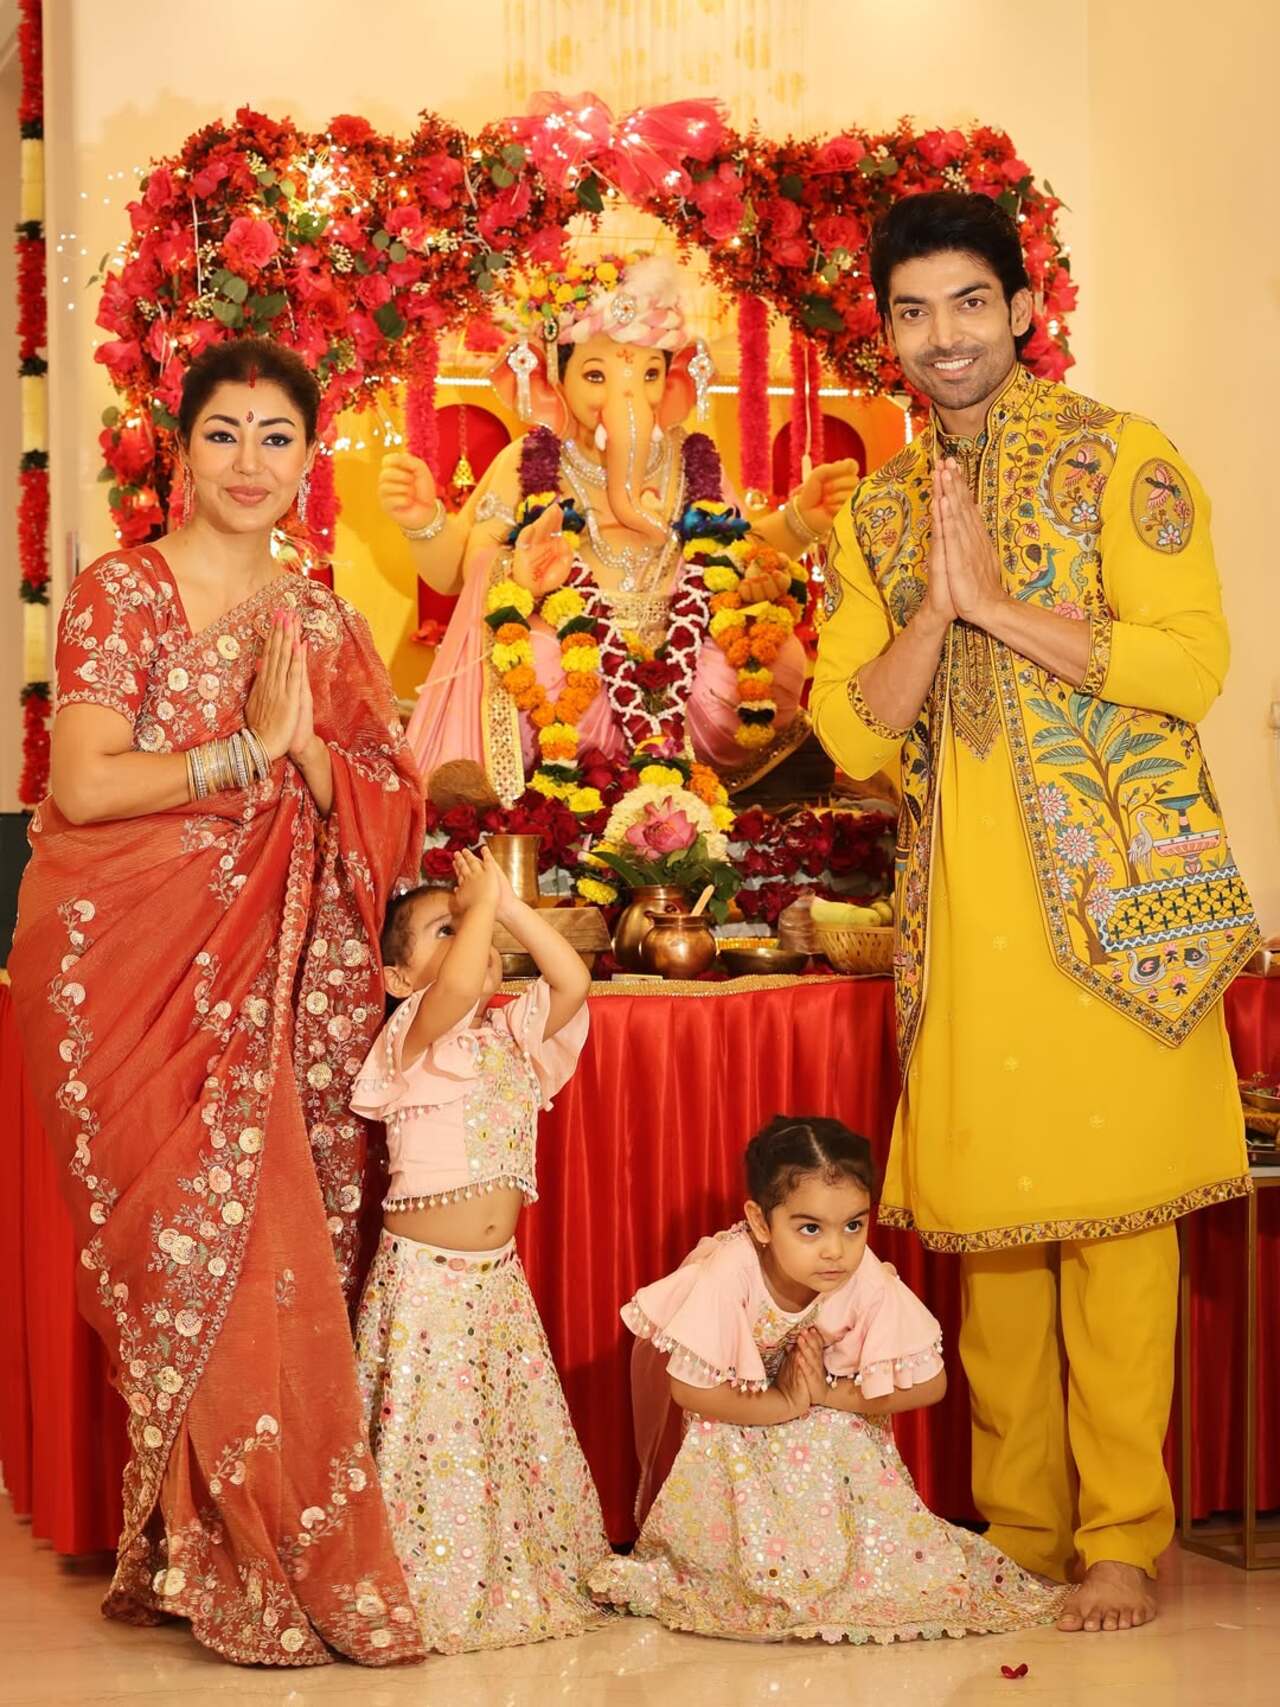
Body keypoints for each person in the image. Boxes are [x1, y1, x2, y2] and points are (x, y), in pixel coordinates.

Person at [810, 191, 1259, 1634]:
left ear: (1019, 306)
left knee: (1119, 1230)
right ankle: (1019, 1524)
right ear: (888, 329)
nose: (944, 338)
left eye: (969, 304)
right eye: (913, 311)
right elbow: (855, 731)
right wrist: (937, 609)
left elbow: (1189, 663)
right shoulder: (870, 513)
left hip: (1118, 905)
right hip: (963, 914)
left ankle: (1123, 1533)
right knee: (994, 1235)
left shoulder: (1122, 455)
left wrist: (1000, 603)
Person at [7, 337, 426, 1667]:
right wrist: (252, 745)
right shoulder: (120, 593)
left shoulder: (319, 615)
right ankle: (221, 1550)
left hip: (275, 988)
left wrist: (307, 745)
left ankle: (239, 1553)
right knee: (188, 1247)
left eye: (277, 436)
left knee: (263, 1248)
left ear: (312, 457)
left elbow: (385, 804)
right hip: (124, 973)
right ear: (178, 448)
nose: (250, 462)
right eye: (224, 434)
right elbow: (83, 786)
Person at [377, 252, 860, 802]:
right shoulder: (526, 461)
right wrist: (425, 522)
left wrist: (800, 522)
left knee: (769, 659)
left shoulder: (692, 459)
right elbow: (459, 577)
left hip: (688, 669)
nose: (625, 395)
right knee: (532, 663)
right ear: (551, 380)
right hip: (570, 668)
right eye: (596, 375)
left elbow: (740, 552)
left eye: (647, 374)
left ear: (673, 382)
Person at [589, 1116, 1065, 1643]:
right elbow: (691, 1390)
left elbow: (932, 1385)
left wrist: (828, 1394)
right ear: (761, 1222)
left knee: (839, 1431)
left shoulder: (862, 1277)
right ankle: (766, 1571)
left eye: (854, 1226)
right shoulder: (730, 1271)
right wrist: (784, 1402)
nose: (836, 1250)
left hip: (820, 1412)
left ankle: (850, 1567)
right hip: (738, 1417)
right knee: (740, 1440)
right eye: (810, 1228)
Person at [350, 846, 608, 1652]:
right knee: (436, 1445)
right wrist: (482, 904)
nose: (469, 935)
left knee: (497, 1437)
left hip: (495, 1286)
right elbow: (456, 982)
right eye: (444, 928)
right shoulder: (414, 1036)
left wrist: (503, 904)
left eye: (472, 926)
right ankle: (434, 1578)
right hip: (425, 1288)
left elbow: (571, 981)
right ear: (397, 977)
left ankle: (504, 1566)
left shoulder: (507, 1034)